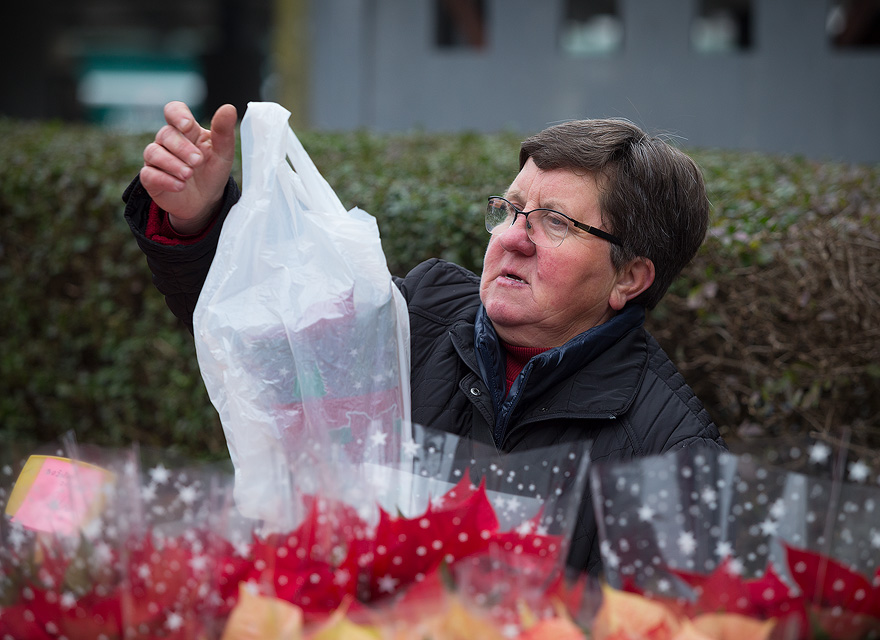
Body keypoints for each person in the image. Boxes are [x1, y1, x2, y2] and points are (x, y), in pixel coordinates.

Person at [124, 101, 725, 575]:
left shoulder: (672, 452)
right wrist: (197, 220)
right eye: (511, 210)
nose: (513, 239)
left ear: (629, 276)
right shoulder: (425, 312)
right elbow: (267, 336)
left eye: (556, 223)